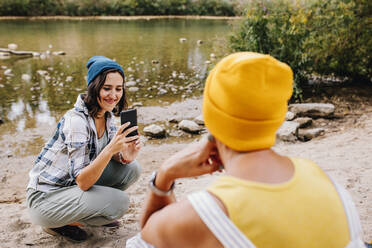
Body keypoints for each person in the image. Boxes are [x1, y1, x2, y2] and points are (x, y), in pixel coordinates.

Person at [126, 52, 366, 248]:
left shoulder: (204, 214)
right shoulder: (329, 184)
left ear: (211, 119)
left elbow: (143, 241)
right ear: (278, 116)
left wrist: (165, 175)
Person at [26, 56, 142, 242]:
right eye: (107, 88)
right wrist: (110, 149)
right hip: (45, 199)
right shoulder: (77, 122)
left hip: (70, 187)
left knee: (132, 168)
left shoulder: (107, 115)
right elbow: (83, 182)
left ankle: (87, 211)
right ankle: (59, 223)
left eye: (118, 89)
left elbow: (109, 156)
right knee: (119, 203)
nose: (113, 95)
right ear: (93, 87)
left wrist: (125, 156)